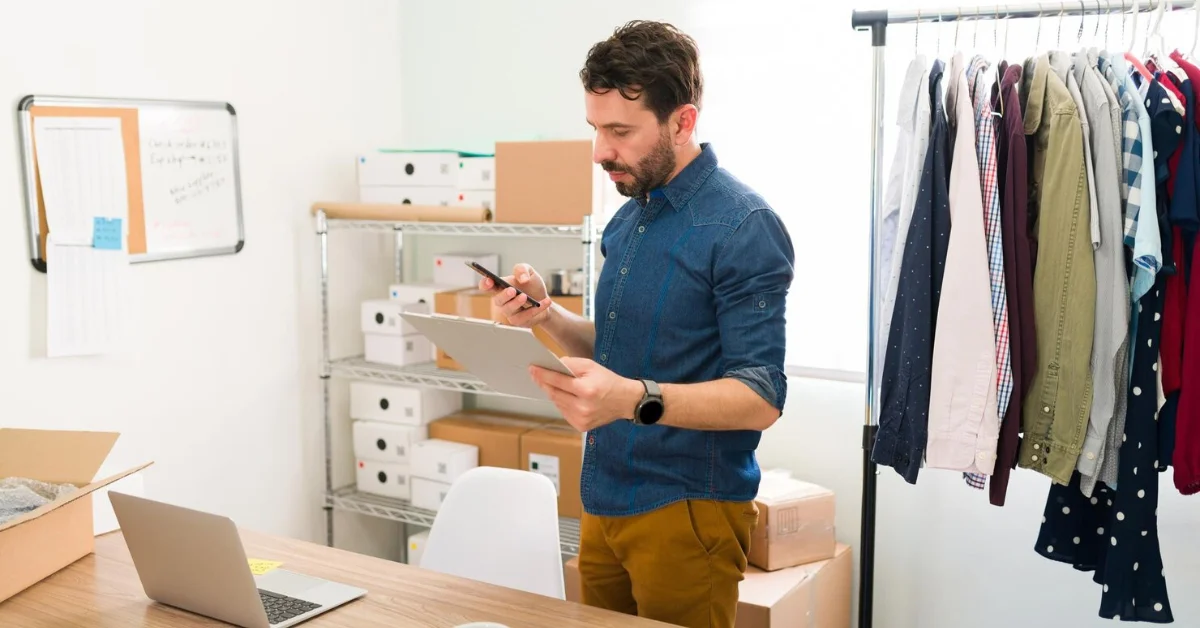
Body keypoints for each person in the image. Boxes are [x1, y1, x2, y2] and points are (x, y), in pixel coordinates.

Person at [479, 20, 794, 628]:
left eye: (620, 131)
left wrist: (631, 400)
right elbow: (624, 347)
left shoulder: (743, 225)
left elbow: (761, 396)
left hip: (686, 509)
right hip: (603, 496)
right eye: (596, 129)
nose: (600, 151)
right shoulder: (631, 215)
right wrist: (542, 315)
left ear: (683, 121)